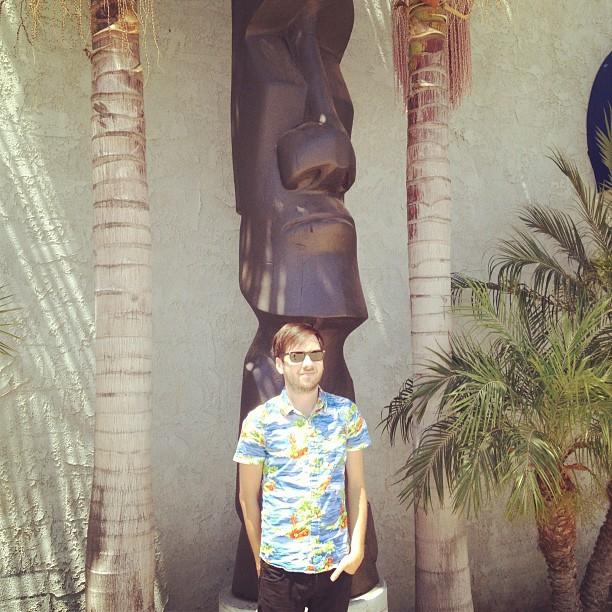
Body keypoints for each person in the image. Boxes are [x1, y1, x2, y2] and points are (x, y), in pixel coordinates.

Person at [233, 322, 371, 612]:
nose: (308, 363)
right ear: (280, 364)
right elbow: (247, 497)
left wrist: (357, 550)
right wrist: (261, 562)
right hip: (280, 568)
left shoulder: (346, 414)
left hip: (334, 565)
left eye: (315, 354)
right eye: (296, 356)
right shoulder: (259, 422)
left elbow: (357, 486)